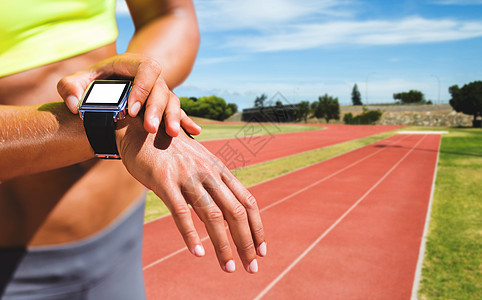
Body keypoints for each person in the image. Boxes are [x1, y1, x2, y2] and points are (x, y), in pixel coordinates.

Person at [0, 0, 266, 298]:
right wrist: (111, 124)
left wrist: (137, 94)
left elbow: (169, 14)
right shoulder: (119, 125)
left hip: (118, 244)